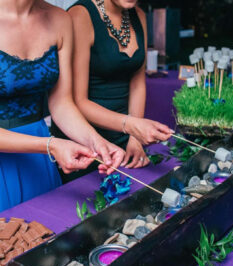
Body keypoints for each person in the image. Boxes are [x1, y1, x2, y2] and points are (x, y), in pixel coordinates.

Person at [0, 0, 124, 230]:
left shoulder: (60, 19)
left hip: (39, 159)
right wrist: (50, 145)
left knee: (43, 252)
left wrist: (97, 142)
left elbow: (62, 105)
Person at [50, 0, 173, 183]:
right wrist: (131, 125)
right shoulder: (81, 15)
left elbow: (137, 83)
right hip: (85, 140)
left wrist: (134, 138)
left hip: (127, 135)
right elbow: (77, 102)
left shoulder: (138, 15)